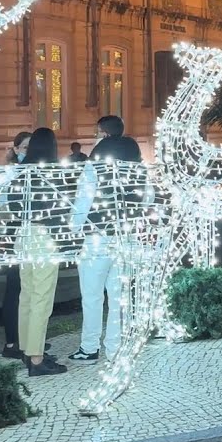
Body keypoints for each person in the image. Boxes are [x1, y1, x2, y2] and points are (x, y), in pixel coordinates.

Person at [71, 115, 142, 365]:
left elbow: (84, 197)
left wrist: (74, 227)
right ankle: (115, 348)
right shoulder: (136, 161)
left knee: (91, 296)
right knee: (119, 297)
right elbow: (147, 196)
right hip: (127, 236)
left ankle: (89, 348)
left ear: (102, 132)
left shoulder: (96, 162)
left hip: (98, 236)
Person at [17, 127, 67, 376]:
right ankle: (36, 359)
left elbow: (14, 205)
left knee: (26, 295)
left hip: (23, 233)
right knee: (41, 299)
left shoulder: (22, 170)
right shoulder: (52, 172)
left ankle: (27, 351)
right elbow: (57, 210)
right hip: (43, 236)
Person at [0, 130, 32, 361]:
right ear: (17, 149)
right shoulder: (10, 173)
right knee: (15, 286)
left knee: (27, 287)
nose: (28, 153)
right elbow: (2, 204)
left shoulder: (31, 171)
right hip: (15, 231)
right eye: (25, 148)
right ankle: (12, 342)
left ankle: (28, 338)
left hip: (28, 231)